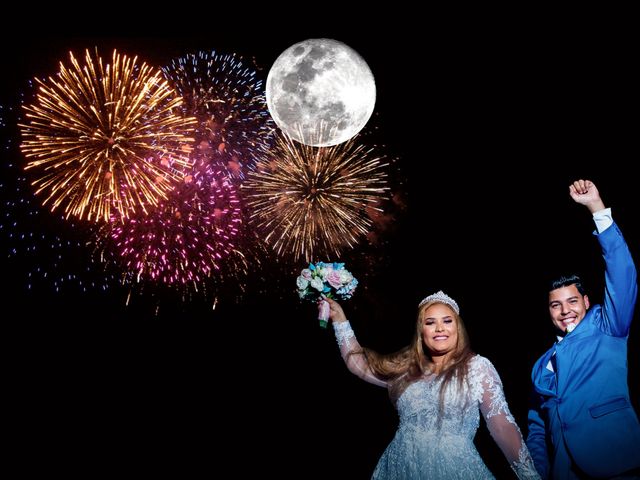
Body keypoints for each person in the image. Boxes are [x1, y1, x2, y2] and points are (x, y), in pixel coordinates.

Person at [324, 291, 540, 479]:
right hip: (399, 468)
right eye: (430, 322)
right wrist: (340, 320)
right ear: (421, 331)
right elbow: (359, 365)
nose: (439, 329)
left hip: (455, 469)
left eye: (447, 321)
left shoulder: (478, 367)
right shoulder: (406, 370)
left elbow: (502, 427)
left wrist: (529, 476)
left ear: (458, 327)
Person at [527, 179, 640, 479]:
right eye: (556, 305)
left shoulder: (607, 326)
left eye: (572, 301)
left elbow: (622, 272)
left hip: (615, 464)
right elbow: (537, 424)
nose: (565, 311)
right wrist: (539, 470)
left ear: (587, 302)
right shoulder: (541, 366)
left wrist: (596, 208)